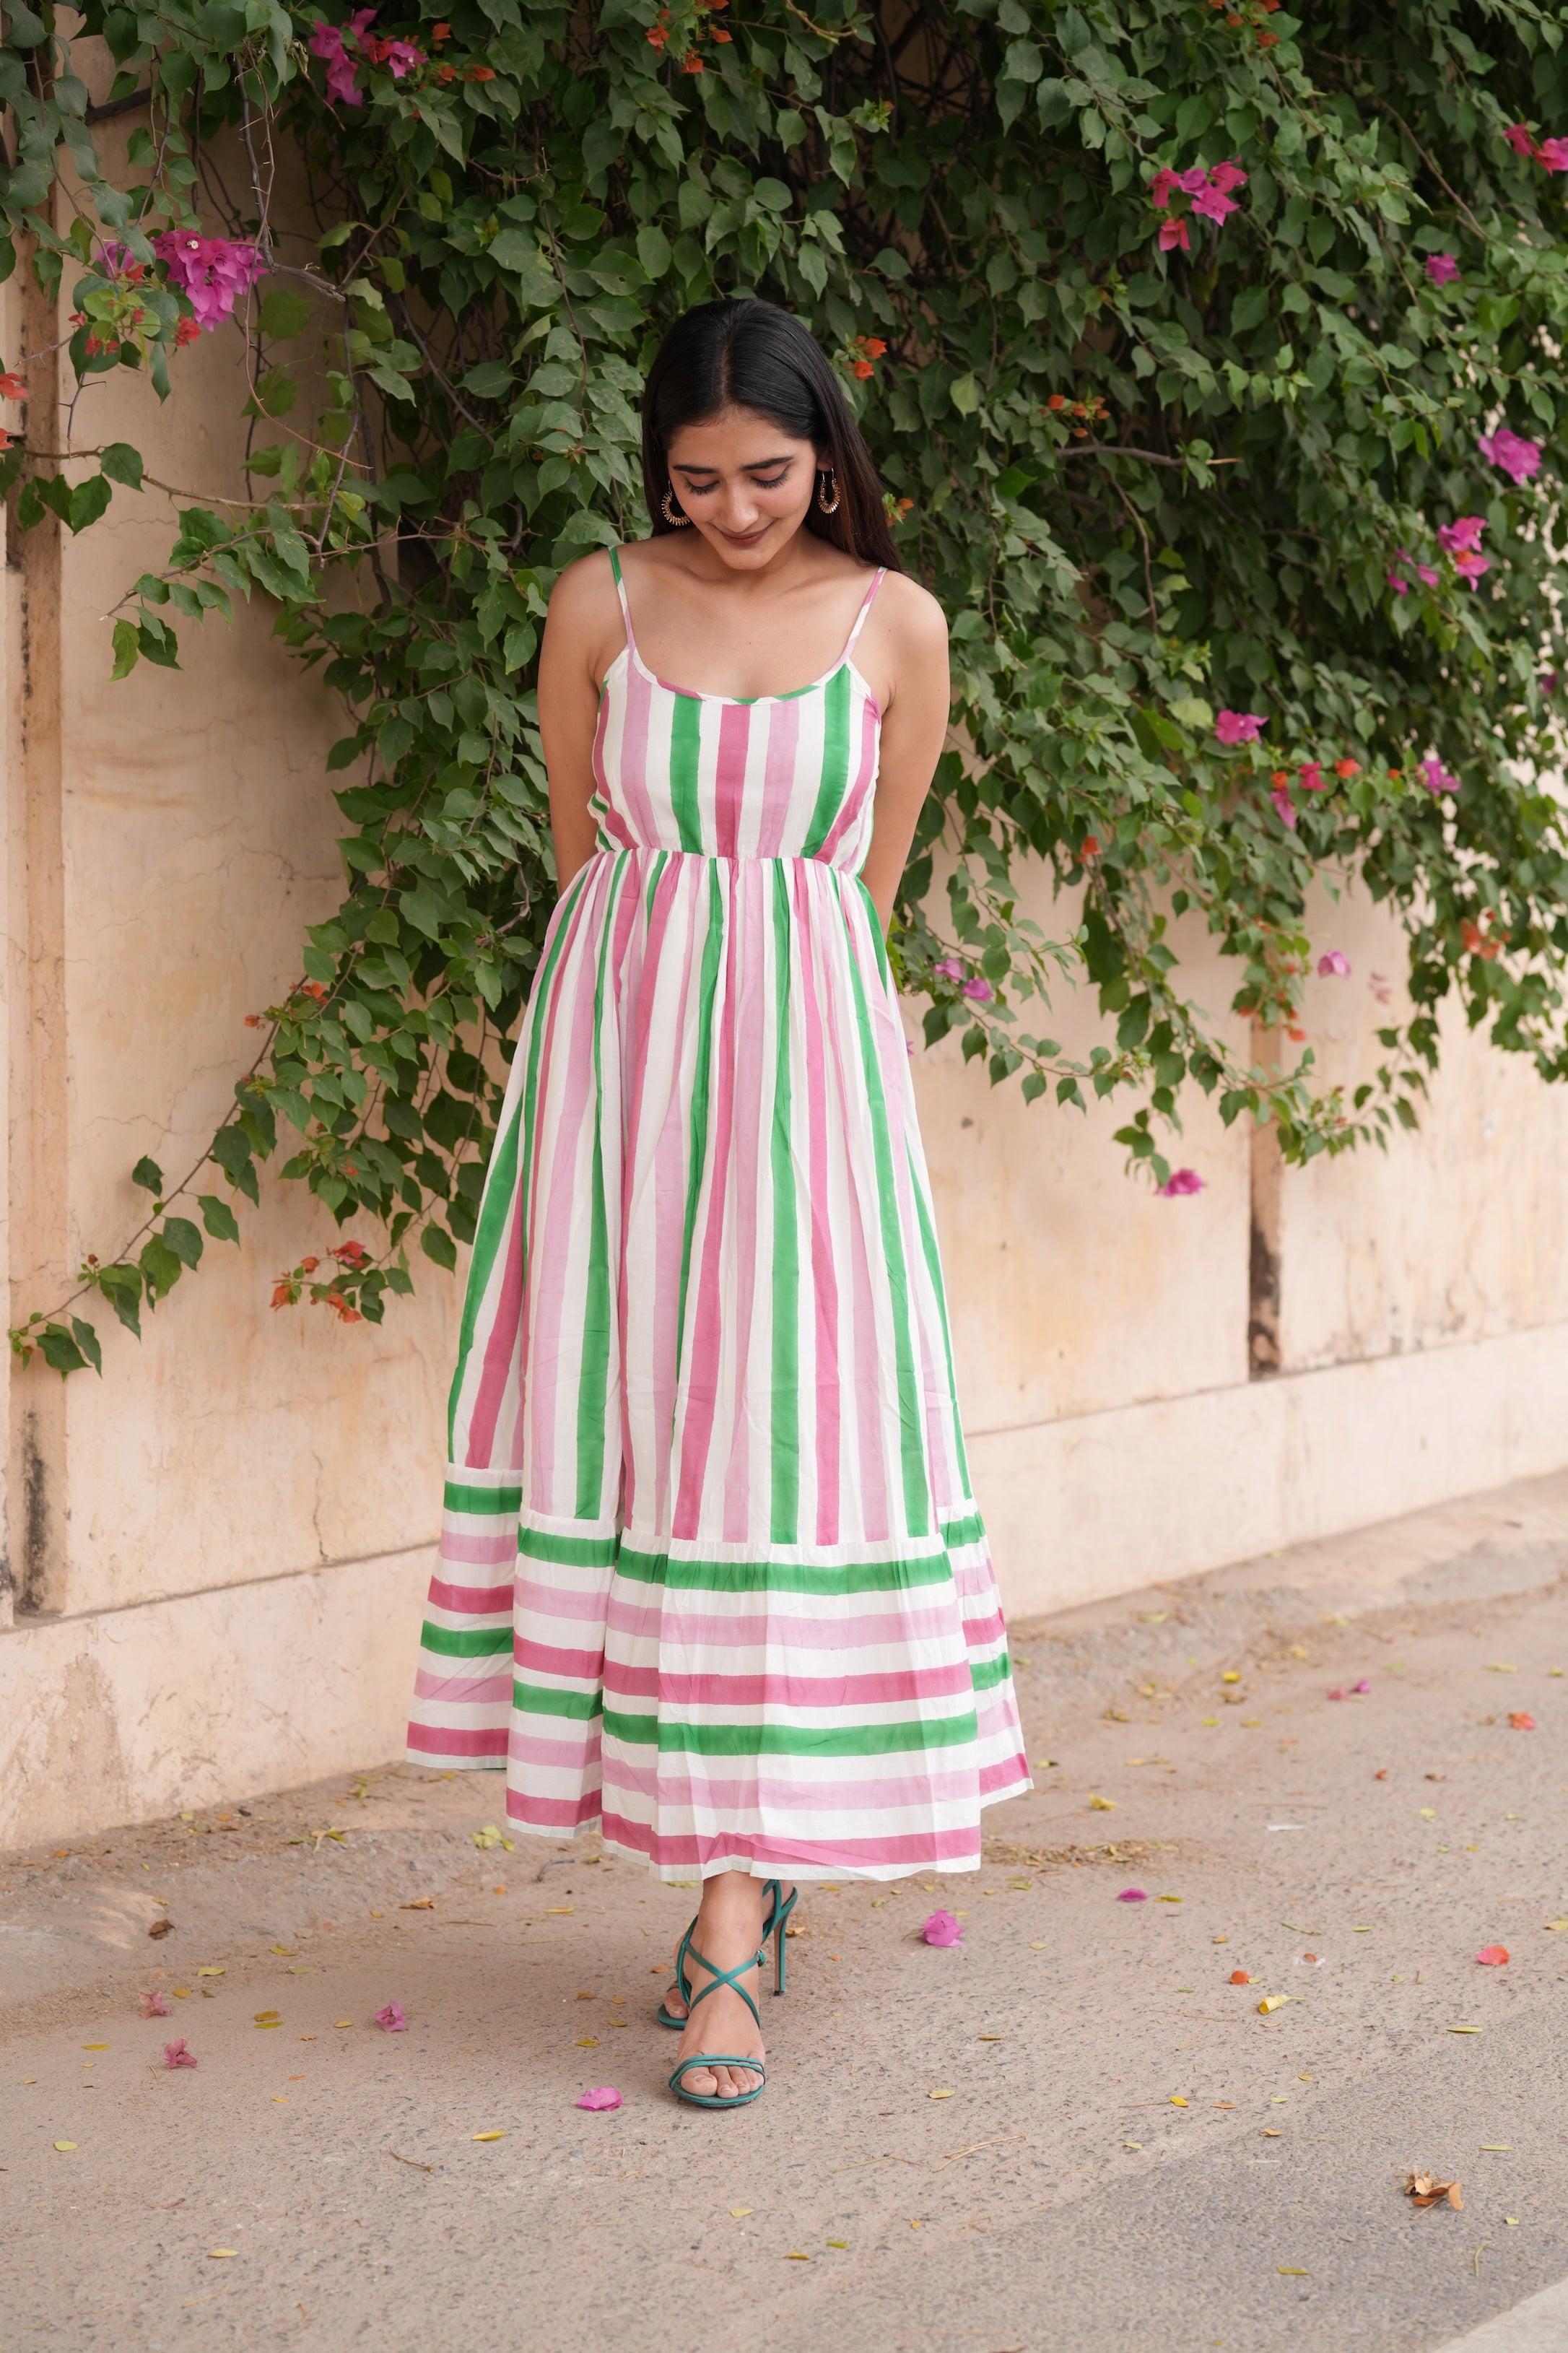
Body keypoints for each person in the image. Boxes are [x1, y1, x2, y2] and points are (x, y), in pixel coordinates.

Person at [407, 296, 1029, 2109]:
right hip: (623, 1071)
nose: (739, 508)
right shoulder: (601, 602)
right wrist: (651, 1029)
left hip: (811, 1083)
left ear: (827, 448)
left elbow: (869, 884)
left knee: (784, 1461)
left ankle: (736, 1926)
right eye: (700, 477)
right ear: (656, 470)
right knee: (657, 1453)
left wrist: (774, 1013)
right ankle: (726, 1901)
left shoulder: (897, 623)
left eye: (770, 472)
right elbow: (581, 847)